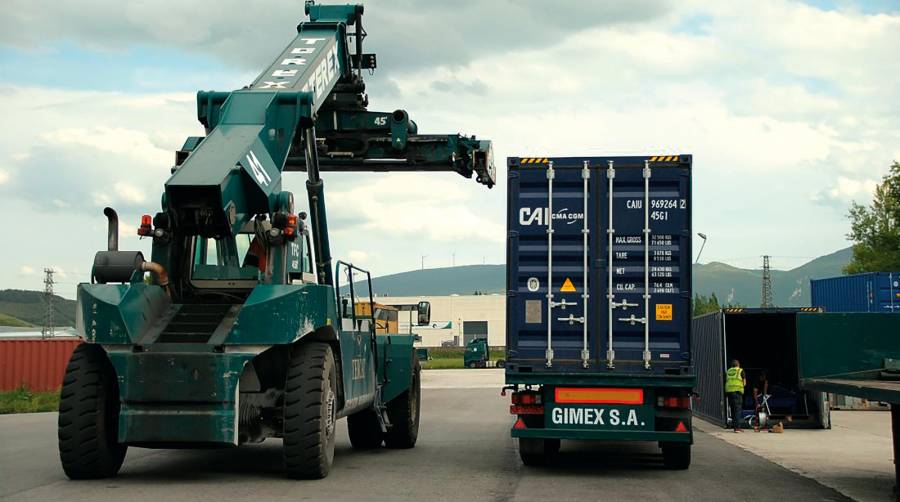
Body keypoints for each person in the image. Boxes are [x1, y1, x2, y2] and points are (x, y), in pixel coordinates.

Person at [725, 359, 747, 433]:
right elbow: (744, 383)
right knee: (737, 410)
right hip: (737, 392)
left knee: (733, 410)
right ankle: (737, 428)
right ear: (738, 365)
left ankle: (735, 427)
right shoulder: (740, 371)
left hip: (729, 392)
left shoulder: (728, 371)